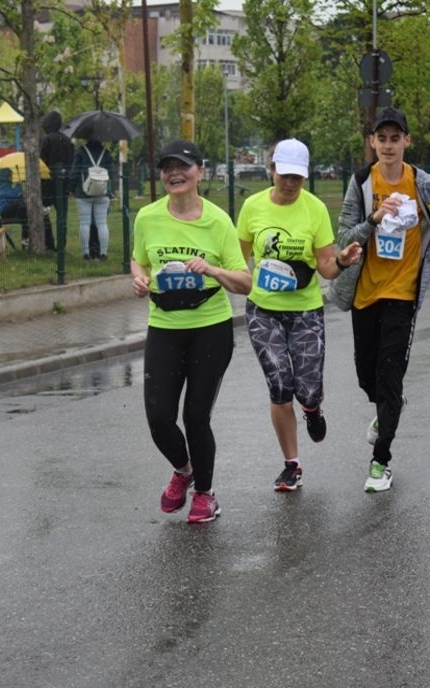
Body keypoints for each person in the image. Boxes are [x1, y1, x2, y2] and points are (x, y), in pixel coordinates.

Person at [331, 107, 430, 493]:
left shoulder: (422, 182)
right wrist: (375, 218)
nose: (388, 146)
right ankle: (386, 411)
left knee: (390, 376)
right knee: (368, 377)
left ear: (407, 141)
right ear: (373, 142)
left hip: (402, 294)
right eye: (382, 139)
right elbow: (345, 238)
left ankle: (381, 461)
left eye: (396, 139)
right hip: (365, 293)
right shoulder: (362, 182)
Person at [130, 140, 251, 523]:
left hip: (209, 329)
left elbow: (245, 282)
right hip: (164, 328)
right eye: (167, 167)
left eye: (182, 166)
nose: (173, 174)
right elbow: (138, 259)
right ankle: (184, 471)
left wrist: (213, 270)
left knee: (196, 416)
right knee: (158, 417)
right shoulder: (147, 218)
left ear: (200, 171)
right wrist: (139, 277)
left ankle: (205, 494)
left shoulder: (218, 221)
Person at [237, 138, 362, 492]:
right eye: (285, 175)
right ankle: (291, 464)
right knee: (279, 385)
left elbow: (325, 266)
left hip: (305, 311)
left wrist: (341, 261)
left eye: (298, 178)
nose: (291, 183)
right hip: (263, 311)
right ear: (272, 170)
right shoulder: (252, 207)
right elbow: (238, 256)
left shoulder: (315, 209)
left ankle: (312, 408)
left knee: (306, 389)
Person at [72, 138, 114, 261]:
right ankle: (103, 253)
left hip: (84, 192)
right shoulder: (106, 153)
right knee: (102, 223)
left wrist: (71, 188)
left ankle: (86, 253)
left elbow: (75, 171)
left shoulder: (81, 152)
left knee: (85, 223)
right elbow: (111, 173)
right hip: (102, 192)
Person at [39, 110, 74, 251]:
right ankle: (61, 245)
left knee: (43, 213)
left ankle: (49, 242)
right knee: (62, 217)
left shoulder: (46, 140)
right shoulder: (67, 140)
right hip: (63, 182)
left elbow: (42, 161)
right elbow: (71, 161)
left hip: (47, 183)